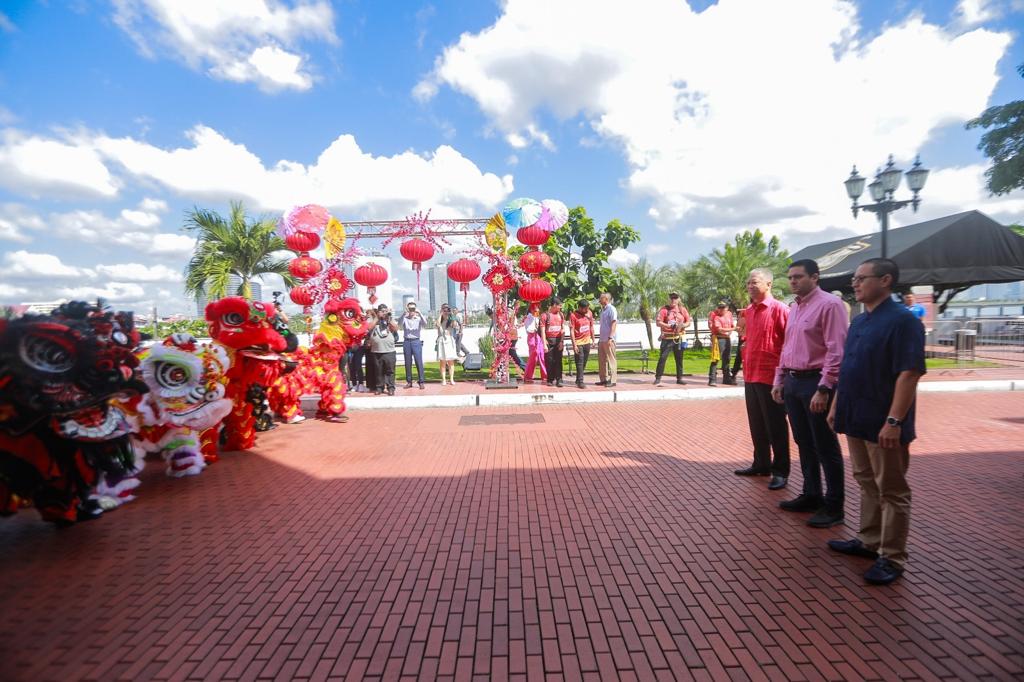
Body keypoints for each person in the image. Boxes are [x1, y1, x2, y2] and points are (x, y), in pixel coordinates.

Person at [827, 258, 925, 586]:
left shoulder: (902, 321)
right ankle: (869, 541)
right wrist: (837, 405)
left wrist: (894, 421)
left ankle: (892, 557)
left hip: (885, 423)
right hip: (856, 417)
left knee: (892, 490)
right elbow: (848, 368)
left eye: (861, 278)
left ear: (885, 280)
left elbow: (909, 373)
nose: (854, 284)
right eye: (854, 279)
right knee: (866, 481)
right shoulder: (859, 321)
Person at [774, 258, 849, 528]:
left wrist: (825, 387)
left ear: (815, 278)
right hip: (794, 382)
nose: (793, 281)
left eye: (798, 277)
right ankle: (811, 494)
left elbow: (836, 350)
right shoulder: (794, 307)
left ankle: (834, 506)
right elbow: (787, 347)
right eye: (790, 277)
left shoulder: (830, 305)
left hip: (816, 382)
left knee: (825, 446)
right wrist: (779, 379)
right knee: (804, 442)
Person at [735, 269, 790, 491]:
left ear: (768, 283)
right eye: (747, 282)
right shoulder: (749, 311)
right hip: (751, 374)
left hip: (771, 377)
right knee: (757, 423)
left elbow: (789, 343)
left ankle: (780, 470)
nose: (749, 285)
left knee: (775, 425)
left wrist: (783, 377)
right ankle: (761, 463)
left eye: (754, 282)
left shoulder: (780, 310)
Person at [653, 292, 690, 386]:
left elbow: (688, 321)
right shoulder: (664, 310)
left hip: (679, 338)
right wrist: (669, 325)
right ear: (669, 299)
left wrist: (683, 325)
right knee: (662, 358)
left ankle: (680, 378)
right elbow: (658, 322)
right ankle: (658, 378)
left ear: (678, 299)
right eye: (671, 298)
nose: (673, 300)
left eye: (675, 298)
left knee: (679, 359)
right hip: (667, 338)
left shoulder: (682, 310)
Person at [367, 304, 399, 396]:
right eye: (382, 311)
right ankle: (379, 388)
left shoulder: (390, 319)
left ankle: (391, 388)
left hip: (389, 350)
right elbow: (369, 327)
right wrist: (377, 317)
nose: (384, 313)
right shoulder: (374, 319)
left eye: (385, 311)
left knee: (390, 371)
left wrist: (388, 318)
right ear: (378, 311)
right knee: (378, 371)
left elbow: (396, 328)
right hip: (377, 351)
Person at [707, 302, 736, 386]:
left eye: (723, 308)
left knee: (727, 359)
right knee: (715, 358)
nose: (721, 309)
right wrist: (733, 329)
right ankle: (712, 379)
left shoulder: (729, 314)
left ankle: (726, 379)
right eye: (720, 307)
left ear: (727, 308)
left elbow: (731, 324)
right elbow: (719, 329)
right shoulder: (715, 316)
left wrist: (730, 331)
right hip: (718, 338)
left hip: (727, 338)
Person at [569, 300, 595, 389]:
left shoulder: (590, 313)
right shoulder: (573, 315)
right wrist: (574, 345)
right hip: (578, 342)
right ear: (580, 308)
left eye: (588, 308)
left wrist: (593, 339)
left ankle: (578, 379)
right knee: (579, 362)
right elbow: (571, 331)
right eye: (585, 309)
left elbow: (591, 326)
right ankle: (580, 381)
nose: (587, 310)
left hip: (587, 341)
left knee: (584, 362)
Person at [401, 301, 427, 389]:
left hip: (416, 341)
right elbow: (399, 324)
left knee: (418, 361)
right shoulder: (405, 318)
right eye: (410, 309)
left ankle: (421, 381)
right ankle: (409, 381)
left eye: (413, 309)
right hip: (407, 341)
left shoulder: (418, 318)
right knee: (407, 362)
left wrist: (420, 313)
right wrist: (403, 313)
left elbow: (425, 324)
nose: (411, 311)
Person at [541, 298, 566, 387]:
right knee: (549, 361)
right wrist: (544, 344)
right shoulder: (545, 315)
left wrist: (561, 341)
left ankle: (559, 379)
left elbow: (563, 328)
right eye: (559, 305)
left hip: (558, 340)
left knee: (558, 361)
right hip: (549, 341)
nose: (561, 307)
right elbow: (542, 330)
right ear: (554, 305)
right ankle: (550, 379)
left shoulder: (561, 315)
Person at [597, 292, 618, 387]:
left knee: (611, 359)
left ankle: (613, 380)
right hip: (602, 339)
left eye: (601, 298)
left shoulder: (611, 309)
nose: (599, 300)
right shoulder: (603, 310)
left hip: (609, 339)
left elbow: (614, 323)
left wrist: (610, 337)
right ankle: (603, 379)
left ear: (606, 299)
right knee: (602, 360)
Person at [523, 303, 547, 383]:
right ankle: (528, 377)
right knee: (533, 357)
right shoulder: (528, 318)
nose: (538, 310)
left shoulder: (538, 317)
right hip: (532, 338)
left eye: (538, 309)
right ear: (532, 310)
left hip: (539, 337)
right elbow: (528, 329)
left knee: (542, 356)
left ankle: (545, 376)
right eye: (536, 309)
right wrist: (535, 329)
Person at [436, 304, 458, 385]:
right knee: (442, 361)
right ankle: (444, 379)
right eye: (444, 310)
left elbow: (454, 324)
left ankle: (451, 379)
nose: (446, 312)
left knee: (451, 361)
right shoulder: (440, 319)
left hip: (449, 339)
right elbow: (438, 325)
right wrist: (441, 314)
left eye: (447, 310)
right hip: (441, 340)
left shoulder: (450, 319)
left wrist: (452, 314)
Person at [731, 308, 746, 380]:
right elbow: (738, 329)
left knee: (739, 357)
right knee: (740, 357)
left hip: (744, 338)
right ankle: (734, 373)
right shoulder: (744, 319)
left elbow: (738, 329)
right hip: (744, 338)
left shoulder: (743, 319)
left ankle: (734, 373)